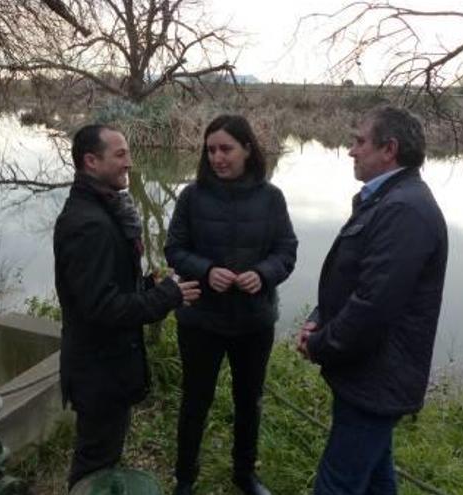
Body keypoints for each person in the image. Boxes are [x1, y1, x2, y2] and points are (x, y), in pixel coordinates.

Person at [297, 105, 448, 495]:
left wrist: (320, 344)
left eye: (359, 141)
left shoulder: (404, 210)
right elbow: (354, 281)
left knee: (337, 484)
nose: (351, 150)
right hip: (370, 373)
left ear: (389, 149)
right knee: (377, 477)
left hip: (377, 377)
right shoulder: (387, 199)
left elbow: (373, 306)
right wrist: (320, 318)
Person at [54, 124, 201, 490]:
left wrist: (150, 285)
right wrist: (168, 295)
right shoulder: (89, 225)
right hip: (98, 372)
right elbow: (103, 308)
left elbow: (106, 288)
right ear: (91, 161)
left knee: (102, 454)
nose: (130, 163)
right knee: (94, 466)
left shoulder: (104, 212)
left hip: (105, 368)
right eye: (120, 155)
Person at [165, 115, 298, 495]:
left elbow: (286, 250)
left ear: (248, 149)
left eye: (226, 149)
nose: (218, 158)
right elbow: (174, 249)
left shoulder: (271, 198)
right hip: (200, 320)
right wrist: (206, 271)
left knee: (248, 401)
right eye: (211, 150)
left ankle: (245, 474)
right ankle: (185, 478)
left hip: (254, 322)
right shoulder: (192, 196)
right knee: (195, 400)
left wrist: (264, 273)